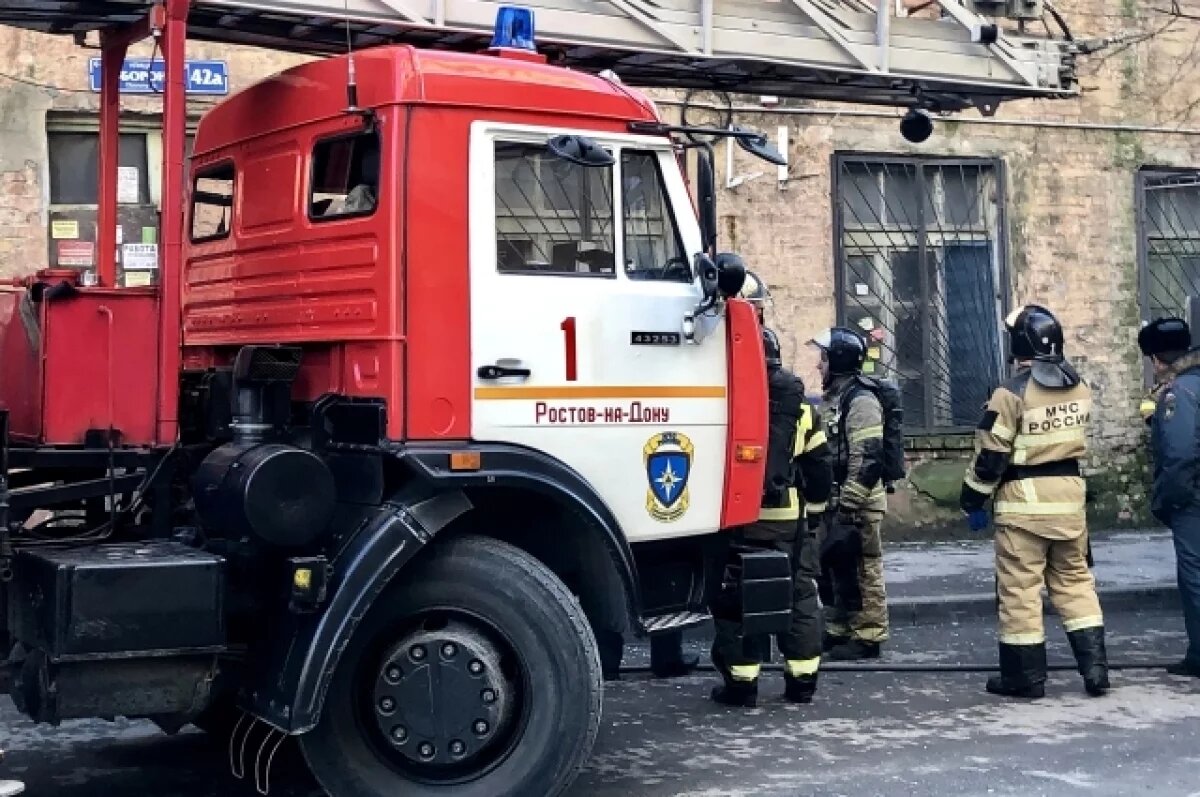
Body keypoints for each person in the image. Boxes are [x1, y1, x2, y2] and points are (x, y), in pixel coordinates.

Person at [960, 304, 1109, 699]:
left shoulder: (1010, 393)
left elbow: (991, 456)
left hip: (1023, 507)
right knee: (1076, 583)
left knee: (1020, 591)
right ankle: (1096, 671)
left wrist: (971, 499)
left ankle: (1024, 679)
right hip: (1070, 503)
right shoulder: (1080, 387)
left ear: (1017, 343)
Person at [710, 323, 833, 707]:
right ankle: (802, 683)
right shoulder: (799, 409)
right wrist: (812, 516)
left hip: (738, 520)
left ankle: (742, 685)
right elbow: (819, 466)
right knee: (799, 596)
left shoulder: (725, 401)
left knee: (736, 597)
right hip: (788, 521)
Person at [809, 327, 889, 661]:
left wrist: (850, 503)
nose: (818, 366)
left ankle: (868, 636)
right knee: (834, 566)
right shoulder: (835, 399)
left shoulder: (861, 401)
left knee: (864, 568)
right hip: (836, 502)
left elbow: (868, 456)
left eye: (823, 359)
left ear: (838, 361)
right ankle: (839, 630)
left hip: (858, 503)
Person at [1137, 316, 1200, 679]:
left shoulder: (1179, 394)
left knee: (1194, 575)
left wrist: (1166, 502)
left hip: (1192, 499)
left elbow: (1178, 455)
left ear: (1159, 360)